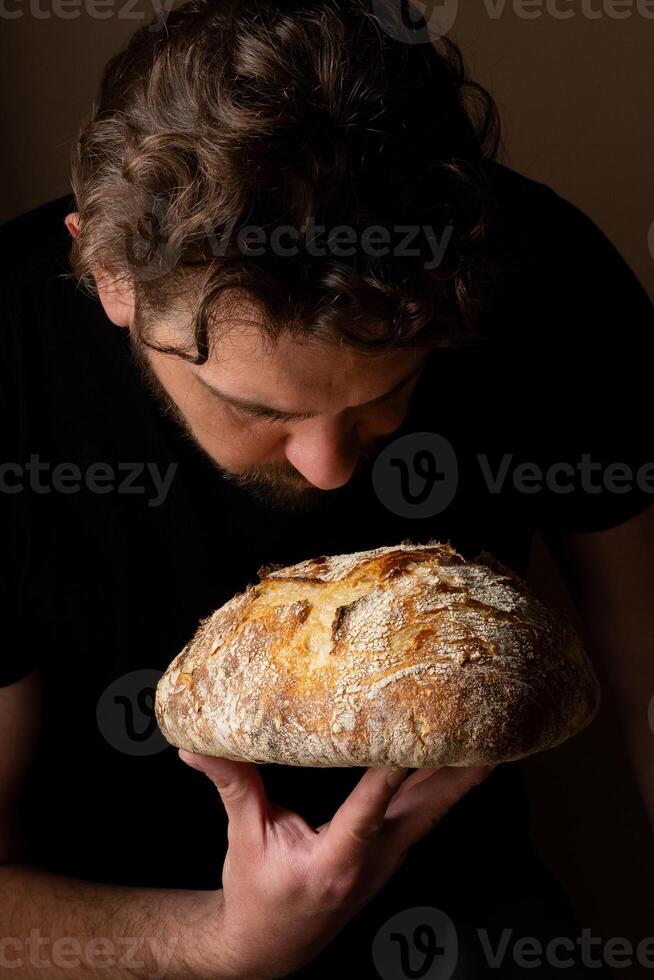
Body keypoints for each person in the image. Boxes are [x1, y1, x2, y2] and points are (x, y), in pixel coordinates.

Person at [1, 0, 652, 976]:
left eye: (387, 394)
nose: (331, 467)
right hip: (109, 920)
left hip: (461, 897)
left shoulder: (543, 273)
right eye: (255, 407)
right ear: (110, 277)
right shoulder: (6, 361)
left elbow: (646, 659)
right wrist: (224, 943)